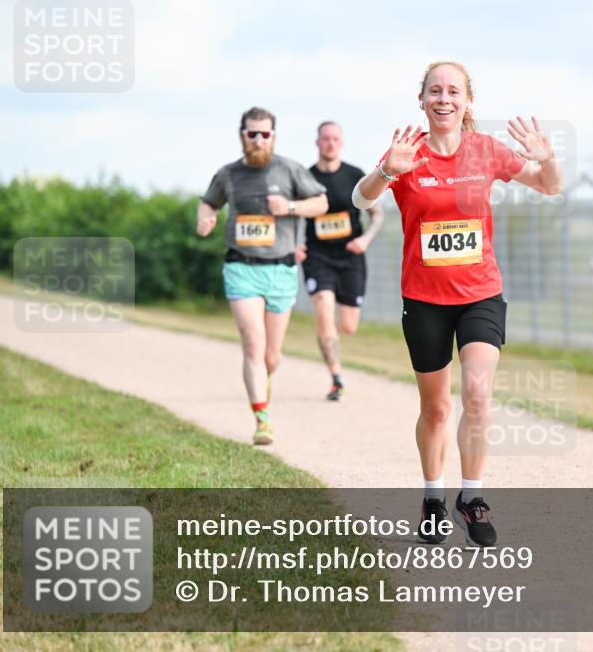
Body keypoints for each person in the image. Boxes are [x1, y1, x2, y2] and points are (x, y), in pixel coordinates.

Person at [352, 61, 562, 546]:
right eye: (435, 91)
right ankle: (432, 497)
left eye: (453, 91)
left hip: (479, 294)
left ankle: (472, 496)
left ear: (468, 102)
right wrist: (386, 170)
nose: (443, 99)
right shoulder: (407, 153)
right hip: (424, 298)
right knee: (436, 408)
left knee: (478, 395)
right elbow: (361, 200)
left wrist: (548, 157)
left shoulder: (486, 150)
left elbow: (549, 185)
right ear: (422, 100)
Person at [196, 106, 328, 446]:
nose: (258, 139)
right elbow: (209, 202)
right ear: (242, 135)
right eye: (252, 133)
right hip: (241, 268)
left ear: (273, 136)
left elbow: (321, 203)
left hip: (281, 270)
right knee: (253, 342)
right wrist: (205, 220)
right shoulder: (228, 174)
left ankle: (263, 382)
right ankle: (262, 419)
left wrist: (291, 207)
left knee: (271, 356)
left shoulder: (289, 170)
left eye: (264, 134)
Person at [305, 121, 384, 401]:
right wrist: (296, 245)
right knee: (324, 308)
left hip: (351, 255)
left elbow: (377, 215)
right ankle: (336, 377)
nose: (330, 143)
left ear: (341, 143)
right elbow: (293, 216)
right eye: (325, 138)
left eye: (335, 139)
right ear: (317, 142)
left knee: (348, 326)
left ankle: (327, 334)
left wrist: (365, 240)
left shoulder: (355, 175)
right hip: (317, 255)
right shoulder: (306, 178)